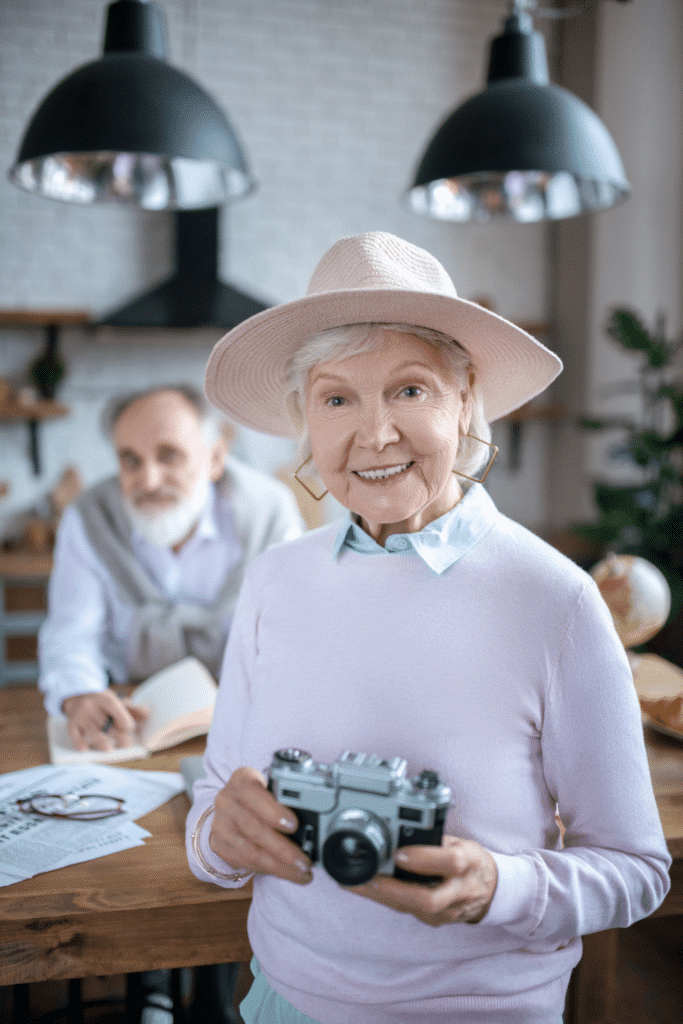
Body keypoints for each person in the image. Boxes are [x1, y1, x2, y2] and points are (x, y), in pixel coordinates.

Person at [186, 232, 671, 1024]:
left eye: (408, 391)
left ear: (463, 396)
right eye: (336, 398)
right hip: (280, 1002)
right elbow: (214, 810)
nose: (373, 435)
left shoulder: (556, 600)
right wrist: (219, 840)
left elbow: (635, 871)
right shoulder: (274, 579)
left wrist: (498, 887)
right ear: (304, 418)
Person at [39, 383, 304, 751]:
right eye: (130, 460)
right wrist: (79, 694)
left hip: (244, 716)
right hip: (126, 716)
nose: (147, 481)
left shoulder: (269, 511)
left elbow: (294, 635)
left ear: (214, 458)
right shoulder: (87, 517)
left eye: (169, 456)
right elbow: (71, 634)